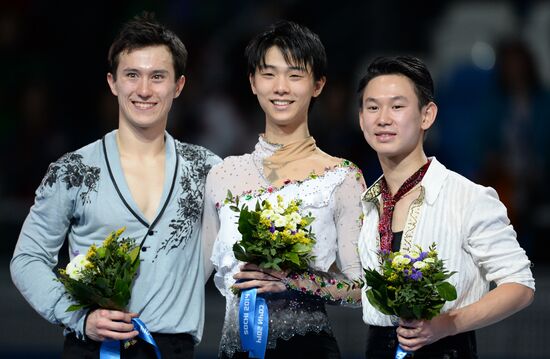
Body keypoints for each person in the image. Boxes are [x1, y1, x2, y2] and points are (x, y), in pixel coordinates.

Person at [10, 13, 220, 358]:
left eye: (157, 77)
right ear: (113, 82)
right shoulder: (73, 170)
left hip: (173, 348)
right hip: (94, 347)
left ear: (178, 86)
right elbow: (27, 258)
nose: (144, 90)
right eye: (132, 75)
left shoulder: (207, 169)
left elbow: (235, 253)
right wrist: (79, 316)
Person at [201, 20, 366, 358]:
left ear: (318, 85)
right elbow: (192, 278)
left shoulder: (342, 176)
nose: (280, 87)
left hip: (310, 349)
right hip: (236, 349)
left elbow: (359, 291)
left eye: (294, 75)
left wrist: (294, 279)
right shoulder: (223, 175)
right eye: (269, 74)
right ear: (252, 82)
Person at [356, 55, 535, 358]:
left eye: (397, 106)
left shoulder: (468, 197)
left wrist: (446, 325)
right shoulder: (367, 202)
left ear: (427, 115)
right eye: (372, 107)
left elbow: (520, 285)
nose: (383, 118)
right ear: (361, 119)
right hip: (377, 348)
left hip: (447, 349)